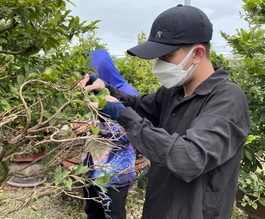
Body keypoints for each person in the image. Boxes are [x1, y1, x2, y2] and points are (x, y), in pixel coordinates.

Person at [79, 4, 251, 219]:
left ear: (197, 53)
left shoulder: (227, 99)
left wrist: (122, 114)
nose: (158, 65)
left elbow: (189, 158)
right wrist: (107, 89)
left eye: (166, 56)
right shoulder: (174, 92)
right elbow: (138, 106)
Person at [71, 49, 137, 219]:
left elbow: (129, 132)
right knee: (92, 212)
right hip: (91, 169)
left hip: (114, 173)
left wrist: (92, 126)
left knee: (113, 214)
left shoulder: (127, 94)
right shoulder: (91, 93)